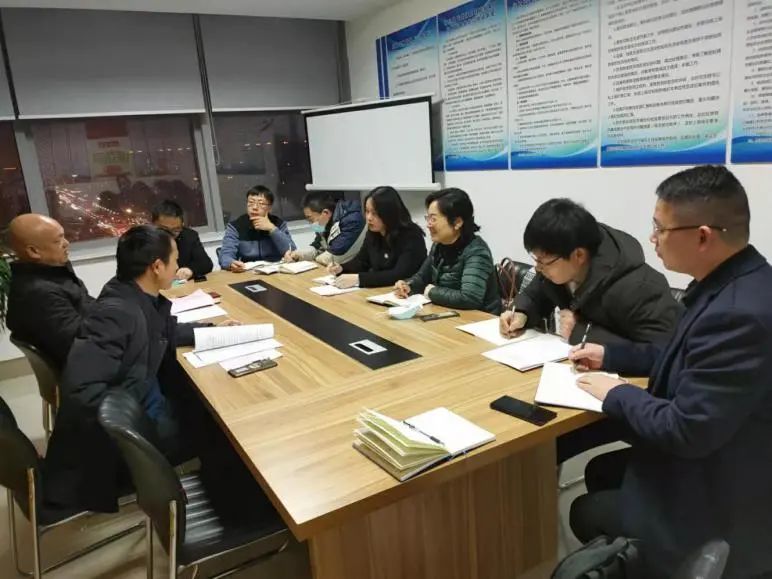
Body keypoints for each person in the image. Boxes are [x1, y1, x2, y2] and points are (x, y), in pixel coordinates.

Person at [568, 166, 772, 579]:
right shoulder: (735, 282)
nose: (652, 238)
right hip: (722, 454)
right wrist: (610, 356)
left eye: (660, 229)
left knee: (585, 509)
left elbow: (685, 430)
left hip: (724, 498)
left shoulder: (738, 315)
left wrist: (616, 393)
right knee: (601, 469)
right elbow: (681, 354)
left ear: (703, 236)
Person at [43, 225, 219, 512]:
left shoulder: (133, 294)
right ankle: (242, 514)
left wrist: (213, 331)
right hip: (137, 435)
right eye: (175, 260)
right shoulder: (116, 312)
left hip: (145, 406)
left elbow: (164, 331)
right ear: (157, 266)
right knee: (223, 425)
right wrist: (135, 444)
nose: (178, 267)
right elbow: (82, 390)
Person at [500, 198, 681, 345]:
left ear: (578, 255)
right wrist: (521, 313)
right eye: (536, 259)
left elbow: (660, 350)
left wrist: (583, 334)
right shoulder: (557, 264)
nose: (538, 268)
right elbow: (535, 295)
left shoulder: (637, 287)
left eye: (543, 261)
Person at [6, 214, 94, 369]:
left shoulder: (55, 274)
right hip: (87, 370)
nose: (66, 243)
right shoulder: (39, 294)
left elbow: (88, 305)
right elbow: (80, 346)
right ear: (34, 251)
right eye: (58, 240)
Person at [394, 188, 500, 314]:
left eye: (433, 219)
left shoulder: (477, 252)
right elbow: (422, 278)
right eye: (428, 218)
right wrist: (407, 285)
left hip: (480, 319)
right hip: (449, 313)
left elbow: (470, 298)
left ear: (457, 222)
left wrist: (431, 291)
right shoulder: (439, 245)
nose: (428, 224)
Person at [327, 186, 426, 288]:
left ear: (389, 213)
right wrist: (341, 268)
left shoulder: (411, 236)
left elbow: (398, 274)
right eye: (367, 211)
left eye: (375, 213)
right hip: (382, 291)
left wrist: (359, 279)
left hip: (405, 292)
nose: (369, 218)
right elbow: (361, 261)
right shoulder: (374, 232)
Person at [219, 185, 296, 272]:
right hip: (248, 272)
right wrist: (230, 263)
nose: (255, 207)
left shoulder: (278, 224)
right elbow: (225, 255)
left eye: (261, 203)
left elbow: (292, 251)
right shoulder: (236, 226)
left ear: (269, 208)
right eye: (251, 203)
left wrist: (272, 229)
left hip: (277, 271)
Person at [285, 192, 365, 266]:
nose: (310, 223)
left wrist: (312, 261)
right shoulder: (325, 223)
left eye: (310, 219)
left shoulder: (352, 220)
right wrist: (297, 255)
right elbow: (318, 248)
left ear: (325, 213)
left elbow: (333, 256)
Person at [151, 199, 213, 280]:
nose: (170, 235)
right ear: (153, 224)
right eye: (165, 230)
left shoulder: (189, 236)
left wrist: (190, 270)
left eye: (176, 230)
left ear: (182, 224)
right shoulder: (144, 241)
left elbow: (206, 263)